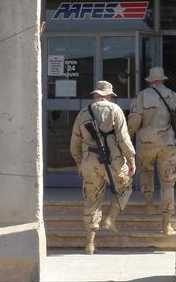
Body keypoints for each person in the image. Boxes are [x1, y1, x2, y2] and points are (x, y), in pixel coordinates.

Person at [70, 80, 136, 255]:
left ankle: (90, 243)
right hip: (113, 161)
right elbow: (123, 138)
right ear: (108, 95)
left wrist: (79, 163)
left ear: (95, 94)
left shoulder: (83, 113)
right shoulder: (115, 110)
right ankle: (110, 219)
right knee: (126, 186)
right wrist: (131, 160)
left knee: (91, 200)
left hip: (89, 161)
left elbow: (74, 143)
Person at [127, 67, 176, 236]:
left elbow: (134, 120)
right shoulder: (173, 95)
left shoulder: (141, 96)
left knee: (146, 172)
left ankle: (149, 203)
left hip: (146, 142)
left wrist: (127, 137)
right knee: (168, 184)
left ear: (150, 80)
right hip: (167, 143)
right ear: (163, 80)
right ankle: (166, 225)